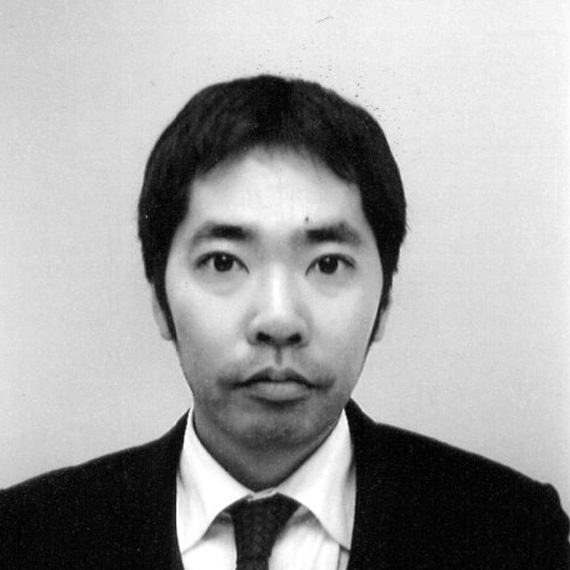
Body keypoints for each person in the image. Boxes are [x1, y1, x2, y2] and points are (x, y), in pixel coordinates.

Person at [0, 75, 568, 570]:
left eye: (328, 264)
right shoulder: (27, 537)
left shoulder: (512, 533)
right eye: (224, 262)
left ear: (385, 301)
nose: (277, 319)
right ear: (158, 298)